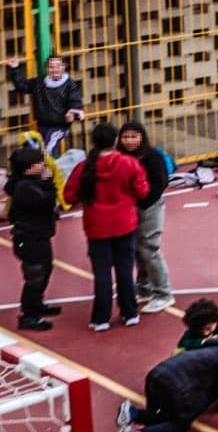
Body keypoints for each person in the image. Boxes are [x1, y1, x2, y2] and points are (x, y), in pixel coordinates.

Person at [108, 335, 218, 432]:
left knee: (163, 415)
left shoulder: (217, 344)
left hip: (157, 374)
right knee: (179, 425)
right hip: (176, 385)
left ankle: (132, 413)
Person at [64, 123, 145, 331]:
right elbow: (142, 191)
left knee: (102, 273)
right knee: (125, 270)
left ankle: (101, 318)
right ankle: (130, 312)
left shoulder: (84, 167)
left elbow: (69, 195)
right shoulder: (128, 163)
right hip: (124, 223)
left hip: (96, 226)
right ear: (115, 140)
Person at [120, 120, 175, 316]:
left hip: (150, 206)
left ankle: (163, 292)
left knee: (149, 247)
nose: (129, 141)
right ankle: (144, 288)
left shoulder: (152, 156)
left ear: (142, 137)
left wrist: (143, 201)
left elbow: (160, 182)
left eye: (134, 136)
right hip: (129, 208)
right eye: (125, 136)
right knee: (137, 249)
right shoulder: (120, 157)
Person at [5, 147, 56, 332]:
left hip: (37, 235)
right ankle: (29, 315)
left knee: (45, 269)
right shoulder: (26, 187)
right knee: (36, 275)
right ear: (27, 168)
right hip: (30, 238)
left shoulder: (28, 183)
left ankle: (36, 305)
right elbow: (46, 202)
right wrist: (49, 183)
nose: (42, 165)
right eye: (38, 163)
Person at [5, 57, 83, 154]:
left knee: (47, 151)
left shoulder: (70, 85)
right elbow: (22, 86)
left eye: (58, 66)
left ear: (63, 67)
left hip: (59, 126)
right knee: (35, 149)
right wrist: (15, 68)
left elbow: (75, 101)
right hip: (42, 124)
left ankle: (45, 167)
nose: (54, 69)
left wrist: (72, 113)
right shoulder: (39, 82)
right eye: (51, 67)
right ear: (47, 69)